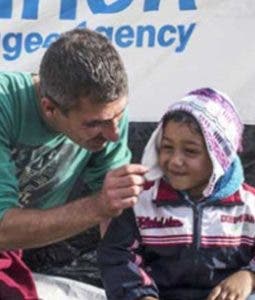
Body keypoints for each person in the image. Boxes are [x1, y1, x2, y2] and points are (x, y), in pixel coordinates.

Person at [0, 28, 147, 299]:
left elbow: (118, 218)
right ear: (48, 108)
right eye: (94, 124)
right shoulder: (4, 104)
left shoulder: (107, 117)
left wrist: (137, 285)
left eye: (119, 115)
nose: (113, 133)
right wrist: (99, 206)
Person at [98, 88, 255, 300]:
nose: (174, 161)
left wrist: (249, 277)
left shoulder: (249, 205)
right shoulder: (141, 202)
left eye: (190, 151)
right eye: (167, 147)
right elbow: (118, 256)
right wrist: (140, 295)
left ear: (221, 157)